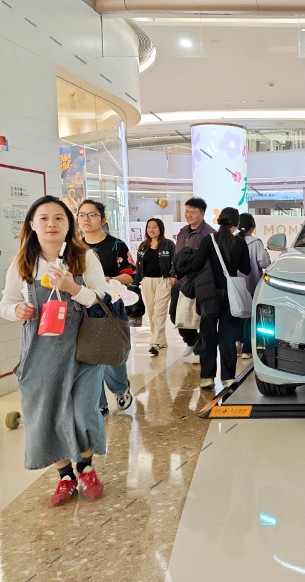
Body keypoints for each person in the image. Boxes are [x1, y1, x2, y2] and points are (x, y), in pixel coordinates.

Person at [0, 195, 109, 506]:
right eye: (44, 218)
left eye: (59, 218)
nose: (52, 223)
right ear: (32, 225)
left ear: (68, 225)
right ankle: (65, 476)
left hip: (83, 350)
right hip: (39, 354)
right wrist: (16, 310)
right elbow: (6, 303)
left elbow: (103, 298)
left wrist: (73, 288)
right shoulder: (22, 263)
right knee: (45, 415)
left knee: (83, 412)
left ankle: (86, 468)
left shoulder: (84, 258)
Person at [78, 199, 135, 414]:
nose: (86, 219)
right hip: (82, 308)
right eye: (82, 215)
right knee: (89, 356)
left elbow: (131, 274)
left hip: (110, 307)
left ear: (102, 219)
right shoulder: (74, 248)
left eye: (92, 215)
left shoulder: (116, 245)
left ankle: (120, 389)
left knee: (112, 353)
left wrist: (111, 281)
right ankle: (98, 403)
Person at [191, 207, 251, 389]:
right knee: (228, 336)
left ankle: (207, 377)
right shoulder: (240, 243)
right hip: (231, 296)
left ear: (219, 220)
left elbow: (196, 265)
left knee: (208, 335)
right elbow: (246, 269)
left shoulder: (209, 240)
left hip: (210, 294)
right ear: (236, 224)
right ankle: (228, 377)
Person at [170, 197, 215, 363]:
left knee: (199, 318)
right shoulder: (183, 232)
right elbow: (177, 255)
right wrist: (173, 274)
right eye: (187, 211)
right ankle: (192, 341)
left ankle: (200, 350)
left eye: (193, 212)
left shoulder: (209, 234)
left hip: (198, 283)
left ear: (202, 214)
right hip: (180, 282)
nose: (188, 215)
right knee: (175, 316)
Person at [134, 218, 176, 356]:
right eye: (149, 227)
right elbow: (138, 265)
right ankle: (161, 341)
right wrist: (135, 282)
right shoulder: (143, 246)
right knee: (152, 312)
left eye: (155, 227)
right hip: (147, 281)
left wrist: (173, 275)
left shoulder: (168, 244)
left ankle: (155, 342)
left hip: (164, 280)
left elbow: (174, 262)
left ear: (160, 229)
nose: (151, 230)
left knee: (159, 312)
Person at [236, 213, 270, 359]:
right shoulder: (256, 242)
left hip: (235, 286)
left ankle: (237, 343)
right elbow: (264, 263)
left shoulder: (232, 240)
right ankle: (247, 349)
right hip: (251, 285)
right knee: (250, 317)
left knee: (237, 315)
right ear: (253, 227)